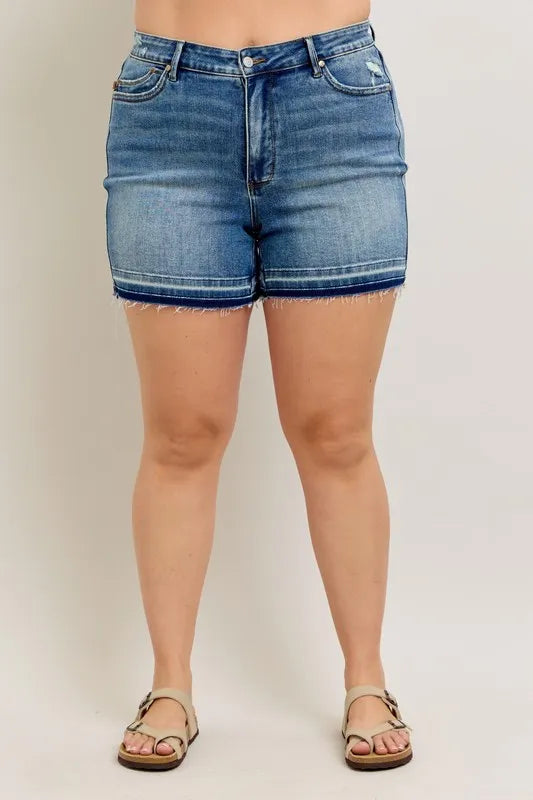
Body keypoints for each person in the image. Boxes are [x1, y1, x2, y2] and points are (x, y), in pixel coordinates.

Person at [103, 0, 412, 772]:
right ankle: (169, 686)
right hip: (169, 105)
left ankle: (366, 681)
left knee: (334, 432)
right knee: (182, 433)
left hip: (331, 102)